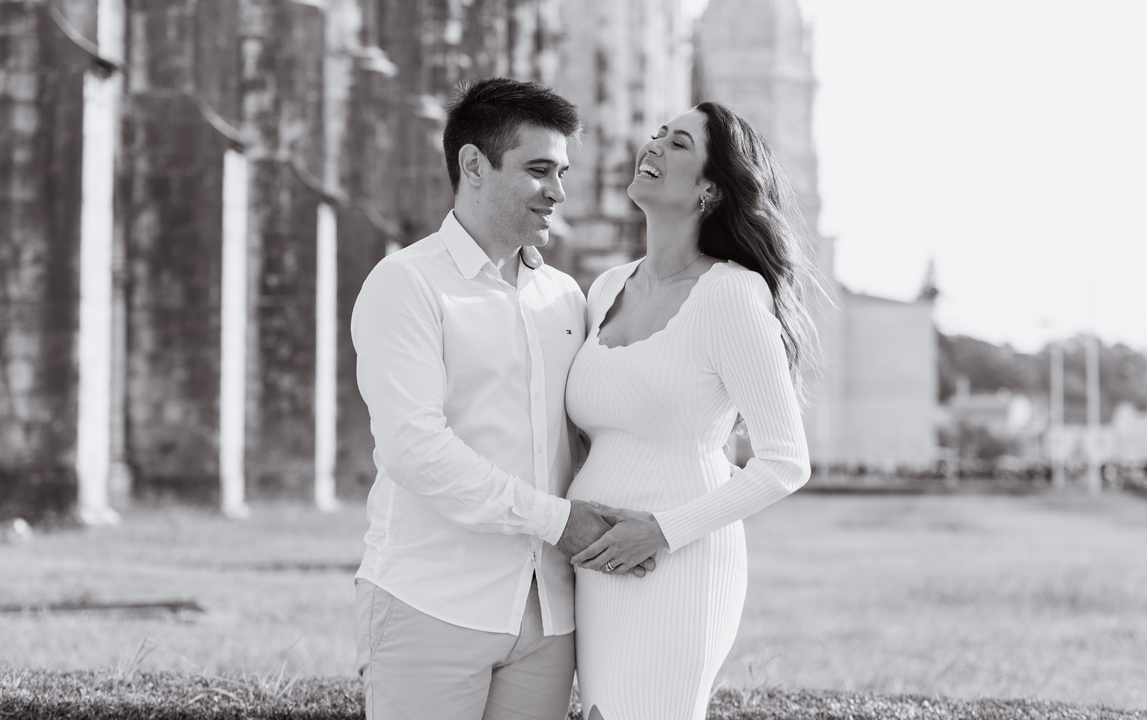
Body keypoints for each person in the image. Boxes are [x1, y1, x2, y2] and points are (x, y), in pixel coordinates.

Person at [350, 77, 648, 720]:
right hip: (432, 602)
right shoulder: (406, 283)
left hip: (550, 617)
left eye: (562, 172)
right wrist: (556, 521)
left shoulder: (566, 296)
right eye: (539, 170)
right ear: (474, 165)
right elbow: (413, 450)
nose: (558, 192)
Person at [564, 102, 823, 720]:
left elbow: (786, 462)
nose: (652, 145)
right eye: (657, 133)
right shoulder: (606, 288)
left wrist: (661, 530)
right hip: (597, 564)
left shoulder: (731, 293)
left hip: (679, 563)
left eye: (678, 143)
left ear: (711, 189)